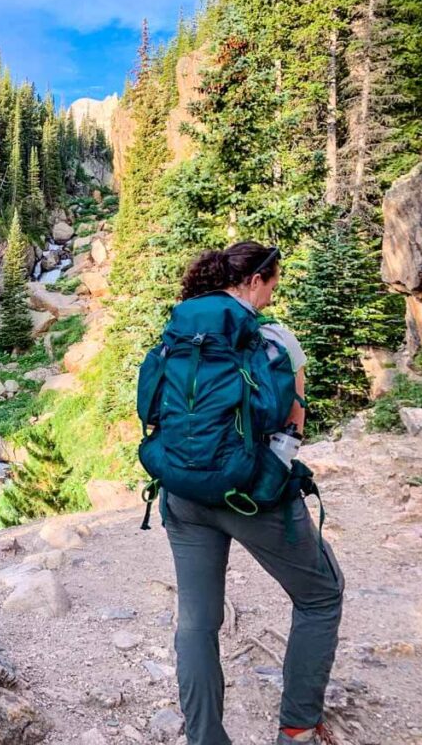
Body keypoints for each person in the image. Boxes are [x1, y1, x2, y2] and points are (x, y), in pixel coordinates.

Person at [164, 242, 344, 745]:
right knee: (320, 596)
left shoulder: (181, 333)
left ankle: (205, 738)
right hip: (252, 498)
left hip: (182, 495)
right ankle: (297, 728)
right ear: (256, 280)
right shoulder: (275, 339)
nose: (274, 292)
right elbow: (295, 419)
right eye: (274, 281)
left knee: (197, 623)